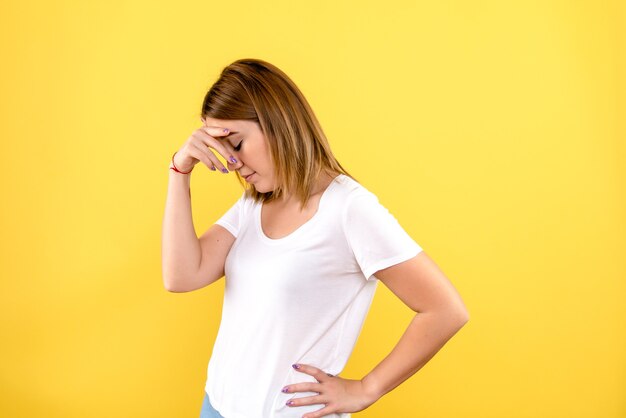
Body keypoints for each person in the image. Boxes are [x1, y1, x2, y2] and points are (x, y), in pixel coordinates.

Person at [161, 58, 469, 418]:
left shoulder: (349, 209)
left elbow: (446, 310)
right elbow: (181, 276)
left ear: (277, 123)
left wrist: (368, 388)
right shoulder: (252, 204)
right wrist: (179, 170)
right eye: (224, 150)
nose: (232, 163)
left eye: (238, 144)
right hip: (216, 406)